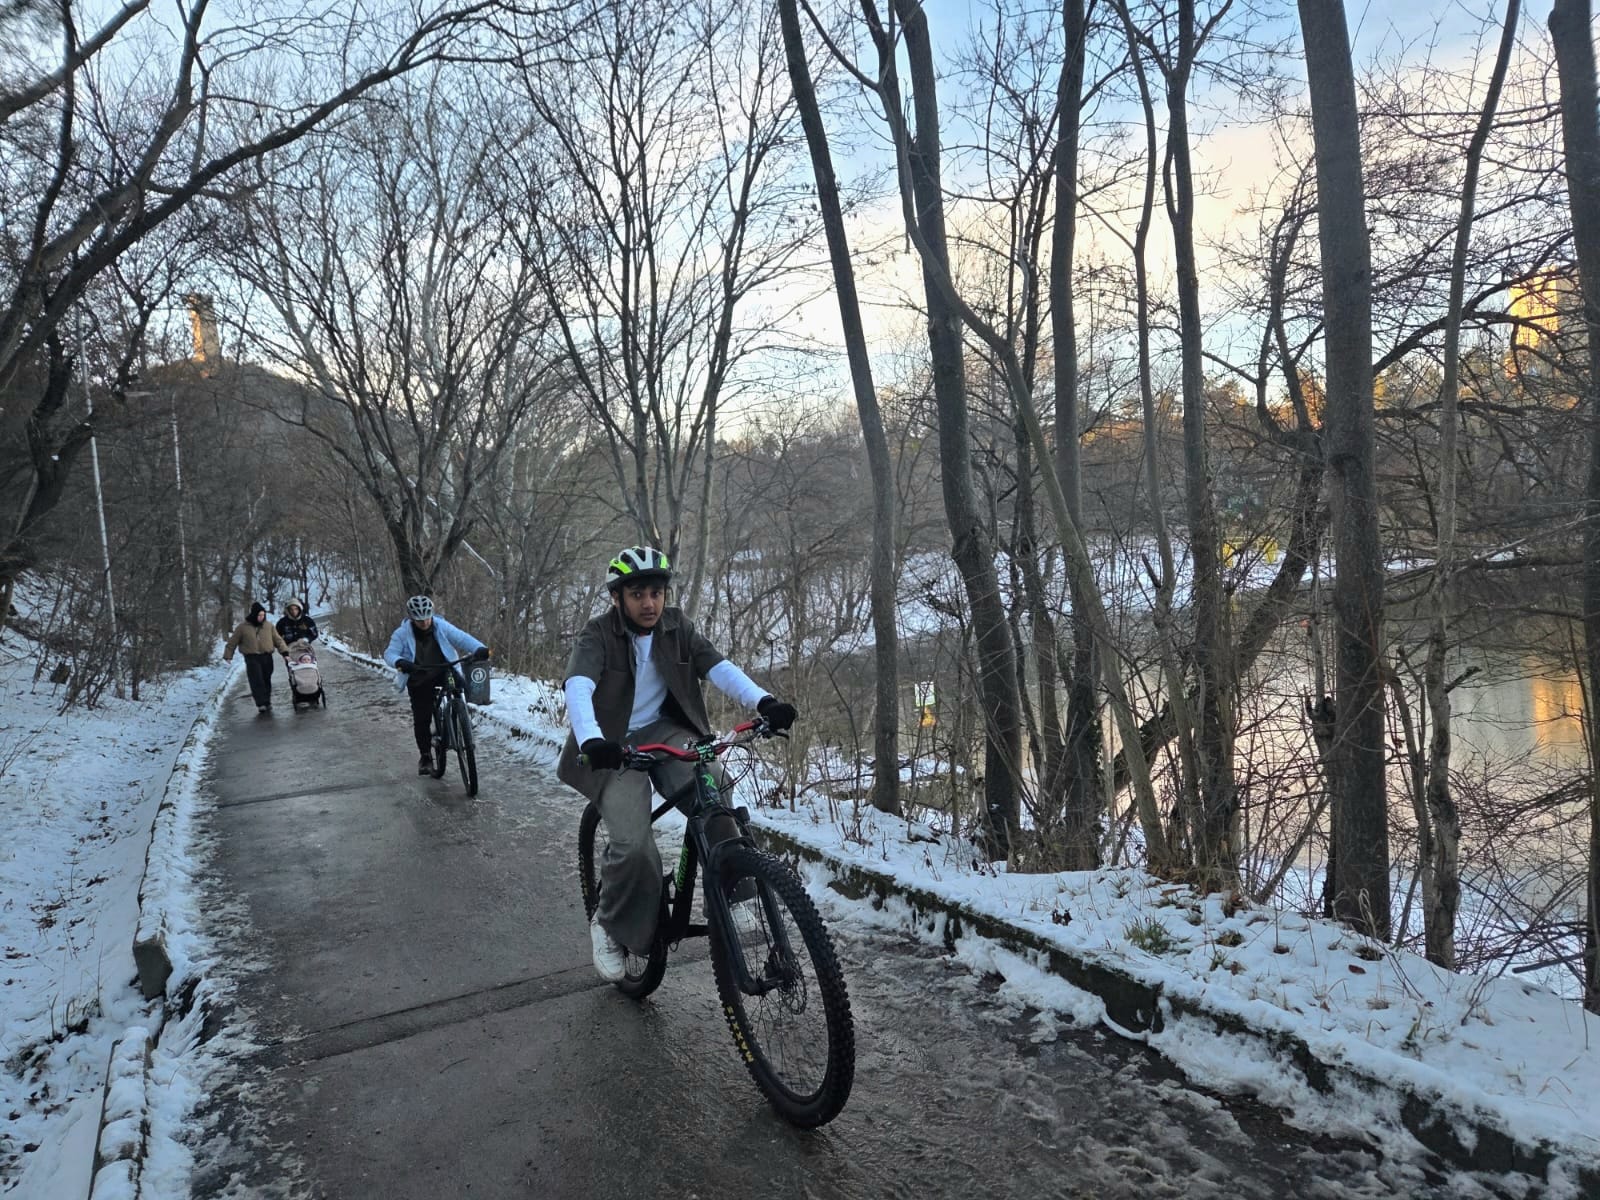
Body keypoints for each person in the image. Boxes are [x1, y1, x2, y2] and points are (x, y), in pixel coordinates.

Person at [558, 546, 797, 983]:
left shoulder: (676, 626)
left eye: (656, 593)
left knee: (717, 792)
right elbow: (578, 685)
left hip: (666, 732)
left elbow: (717, 666)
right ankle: (609, 924)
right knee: (634, 848)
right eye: (637, 594)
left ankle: (731, 892)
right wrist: (593, 739)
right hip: (611, 745)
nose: (649, 603)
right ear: (618, 598)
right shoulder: (598, 635)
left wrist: (763, 701)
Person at [382, 595, 490, 775]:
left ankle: (461, 718)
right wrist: (400, 661)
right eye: (419, 619)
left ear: (432, 614)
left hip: (443, 669)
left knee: (460, 687)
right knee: (421, 716)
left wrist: (480, 648)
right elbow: (390, 653)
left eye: (427, 617)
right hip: (419, 674)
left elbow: (462, 638)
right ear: (411, 618)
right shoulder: (401, 633)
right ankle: (425, 755)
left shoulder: (441, 626)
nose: (424, 622)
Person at [224, 600, 291, 713]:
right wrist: (228, 655)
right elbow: (232, 642)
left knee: (266, 679)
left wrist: (285, 653)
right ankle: (261, 703)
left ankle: (267, 701)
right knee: (256, 680)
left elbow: (278, 640)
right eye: (259, 615)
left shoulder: (269, 626)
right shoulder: (242, 627)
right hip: (252, 657)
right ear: (254, 614)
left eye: (263, 615)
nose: (261, 617)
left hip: (267, 656)